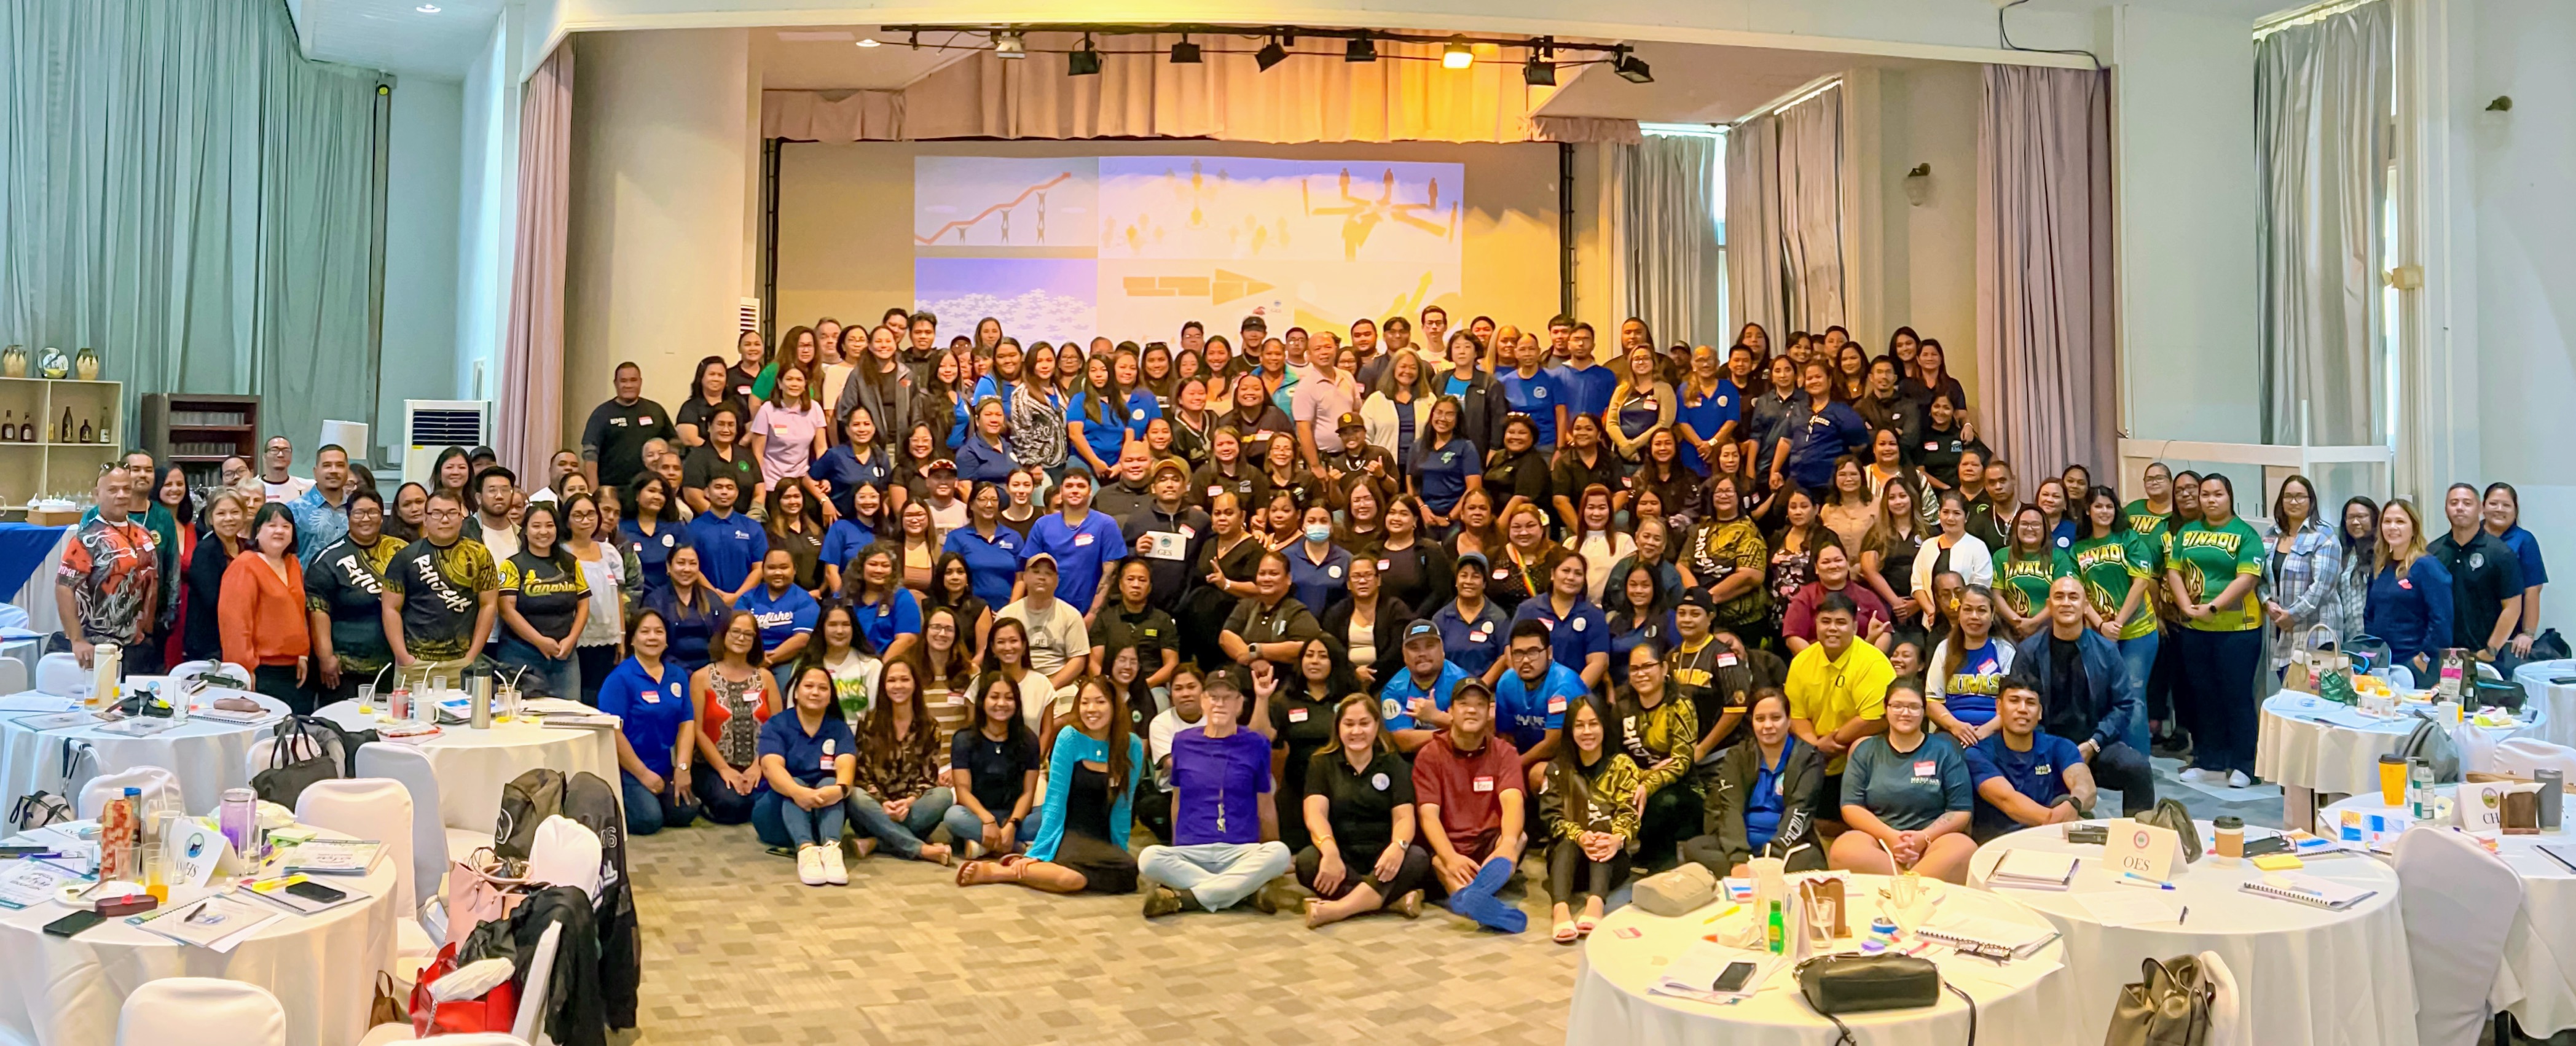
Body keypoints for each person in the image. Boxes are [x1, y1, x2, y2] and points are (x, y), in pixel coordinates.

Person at [956, 677, 1148, 895]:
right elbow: (1055, 801)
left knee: (1128, 871)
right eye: (1085, 703)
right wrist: (1038, 852)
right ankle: (1000, 872)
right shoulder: (1069, 738)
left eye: (1100, 702)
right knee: (1071, 880)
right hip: (1069, 831)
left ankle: (1032, 869)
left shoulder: (1131, 745)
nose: (1091, 709)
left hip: (1102, 838)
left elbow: (1124, 806)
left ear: (1114, 706)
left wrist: (1119, 849)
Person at [1138, 673, 1295, 918]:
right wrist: (1178, 845)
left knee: (1280, 854)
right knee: (1148, 859)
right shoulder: (1182, 741)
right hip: (1193, 850)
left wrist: (1271, 851)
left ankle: (1187, 898)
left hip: (1240, 849)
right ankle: (1243, 890)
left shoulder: (1256, 744)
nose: (1219, 704)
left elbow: (1265, 805)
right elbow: (1177, 800)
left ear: (1239, 704)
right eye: (1213, 697)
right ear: (1203, 702)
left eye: (1227, 698)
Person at [2011, 576, 2155, 814]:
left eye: (2073, 597)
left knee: (2137, 768)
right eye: (2059, 597)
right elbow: (2019, 707)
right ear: (2049, 605)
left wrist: (2094, 744)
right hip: (2044, 747)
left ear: (2086, 606)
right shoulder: (2029, 652)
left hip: (2094, 746)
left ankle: (2137, 839)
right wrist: (2052, 749)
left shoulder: (2106, 651)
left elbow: (2124, 704)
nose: (2066, 603)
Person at [1294, 693, 1430, 927]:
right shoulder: (1321, 763)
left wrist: (1398, 847)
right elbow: (1314, 814)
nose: (1356, 731)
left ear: (1377, 725)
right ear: (1338, 727)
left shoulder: (1394, 764)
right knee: (1307, 861)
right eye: (1349, 724)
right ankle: (1390, 902)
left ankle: (1339, 909)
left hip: (1383, 856)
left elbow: (1404, 817)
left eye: (1364, 723)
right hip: (1341, 855)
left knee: (1416, 858)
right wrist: (1329, 851)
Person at [2166, 474, 2265, 787]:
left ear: (2229, 497)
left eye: (2217, 494)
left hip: (2238, 629)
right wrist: (2185, 607)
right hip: (2196, 628)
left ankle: (2244, 764)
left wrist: (2213, 608)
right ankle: (2209, 759)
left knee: (2236, 696)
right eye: (2205, 494)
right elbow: (2174, 571)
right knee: (2203, 695)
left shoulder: (2245, 534)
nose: (2210, 500)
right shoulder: (2188, 532)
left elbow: (2247, 579)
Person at [1826, 679, 1976, 882]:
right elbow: (1851, 806)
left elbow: (1961, 810)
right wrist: (1892, 838)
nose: (1905, 713)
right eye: (1897, 706)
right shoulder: (1866, 750)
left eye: (1914, 707)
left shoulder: (1945, 750)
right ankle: (1914, 887)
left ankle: (1903, 887)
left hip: (1933, 843)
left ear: (1924, 711)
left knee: (1964, 848)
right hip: (1880, 844)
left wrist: (1922, 838)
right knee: (1844, 849)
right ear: (1885, 709)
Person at [1411, 679, 1528, 933]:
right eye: (1463, 704)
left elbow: (1512, 800)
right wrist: (1451, 857)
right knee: (1440, 863)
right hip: (1450, 845)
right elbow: (1428, 815)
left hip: (1489, 844)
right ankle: (1473, 899)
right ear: (1450, 711)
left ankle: (1472, 898)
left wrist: (1508, 843)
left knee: (1519, 838)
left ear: (1489, 712)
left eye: (1479, 705)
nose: (1472, 710)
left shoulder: (1504, 752)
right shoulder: (1430, 755)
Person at [1681, 689, 1826, 875]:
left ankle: (1753, 876)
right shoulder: (1738, 756)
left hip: (1787, 848)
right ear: (1752, 722)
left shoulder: (1809, 758)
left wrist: (1772, 858)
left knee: (1809, 860)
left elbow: (1800, 810)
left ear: (1789, 721)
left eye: (1776, 718)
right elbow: (1730, 807)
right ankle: (1745, 874)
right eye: (1760, 719)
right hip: (1743, 843)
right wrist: (1738, 859)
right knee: (1695, 848)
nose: (1768, 726)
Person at [1540, 700, 1639, 942]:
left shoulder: (1622, 766)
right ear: (1570, 731)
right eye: (1580, 726)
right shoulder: (1557, 769)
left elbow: (1629, 812)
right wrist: (1580, 836)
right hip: (1567, 864)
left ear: (1604, 726)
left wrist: (1617, 838)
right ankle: (1560, 909)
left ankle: (1595, 904)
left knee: (1604, 834)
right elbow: (1551, 817)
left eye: (1593, 724)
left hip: (1610, 861)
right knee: (1567, 841)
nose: (1587, 732)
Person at [752, 665, 858, 886]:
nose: (815, 692)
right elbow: (771, 768)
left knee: (832, 783)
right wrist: (797, 792)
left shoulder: (838, 728)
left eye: (823, 688)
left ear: (831, 696)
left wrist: (840, 789)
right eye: (809, 686)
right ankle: (806, 851)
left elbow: (846, 766)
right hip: (776, 814)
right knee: (795, 782)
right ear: (796, 692)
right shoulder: (778, 725)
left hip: (823, 810)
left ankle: (831, 850)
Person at [381, 490, 499, 690]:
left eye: (452, 513)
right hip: (416, 664)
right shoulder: (405, 557)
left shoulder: (480, 555)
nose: (445, 520)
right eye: (436, 513)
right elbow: (390, 609)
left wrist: (471, 656)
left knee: (464, 720)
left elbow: (488, 605)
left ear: (461, 518)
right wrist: (403, 656)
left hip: (463, 662)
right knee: (409, 721)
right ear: (426, 519)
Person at [844, 658, 956, 865]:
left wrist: (909, 802)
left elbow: (928, 778)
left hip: (911, 811)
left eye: (905, 680)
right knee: (855, 796)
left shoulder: (930, 726)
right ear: (883, 686)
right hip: (875, 809)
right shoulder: (868, 723)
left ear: (915, 684)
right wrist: (883, 803)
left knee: (943, 795)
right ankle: (919, 848)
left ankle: (878, 842)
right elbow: (862, 775)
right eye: (892, 680)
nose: (898, 686)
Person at [1786, 593, 1895, 802]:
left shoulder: (1873, 662)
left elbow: (1874, 719)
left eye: (1841, 622)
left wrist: (1832, 743)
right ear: (1816, 624)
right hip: (1816, 752)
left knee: (1861, 746)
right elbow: (1797, 716)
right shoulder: (1802, 662)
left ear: (1854, 627)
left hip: (1855, 752)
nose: (1832, 628)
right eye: (1826, 621)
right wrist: (1815, 748)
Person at [599, 610, 699, 835]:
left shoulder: (678, 675)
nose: (652, 637)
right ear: (633, 639)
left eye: (659, 632)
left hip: (664, 766)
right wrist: (643, 774)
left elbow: (687, 722)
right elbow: (612, 731)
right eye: (644, 632)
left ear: (667, 639)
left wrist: (683, 768)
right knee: (649, 821)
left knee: (687, 812)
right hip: (629, 770)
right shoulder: (620, 679)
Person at [1607, 639, 1700, 868]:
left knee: (1662, 802)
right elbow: (1614, 759)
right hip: (1634, 781)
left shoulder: (1681, 706)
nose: (1641, 674)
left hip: (1681, 788)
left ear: (1664, 668)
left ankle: (1659, 861)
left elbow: (1680, 763)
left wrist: (1646, 785)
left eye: (1647, 666)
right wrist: (1643, 776)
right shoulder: (1622, 706)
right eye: (1635, 669)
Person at [57, 465, 160, 671]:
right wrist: (77, 640)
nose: (121, 495)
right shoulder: (88, 538)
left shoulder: (144, 534)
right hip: (98, 647)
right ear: (97, 495)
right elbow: (64, 587)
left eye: (126, 489)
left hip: (137, 647)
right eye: (113, 490)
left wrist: (148, 633)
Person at [1966, 677, 2095, 841]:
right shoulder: (1978, 754)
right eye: (2014, 701)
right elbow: (2009, 801)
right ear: (1999, 707)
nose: (2022, 709)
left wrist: (2074, 804)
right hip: (2003, 840)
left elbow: (2085, 784)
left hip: (2057, 839)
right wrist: (2062, 820)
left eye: (2031, 703)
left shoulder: (2061, 746)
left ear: (2040, 712)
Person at [2071, 485, 2160, 698]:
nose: (2104, 512)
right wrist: (2102, 626)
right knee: (2103, 697)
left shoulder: (2129, 539)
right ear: (2088, 511)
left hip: (2139, 632)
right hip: (2098, 633)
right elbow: (2078, 593)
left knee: (2133, 695)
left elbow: (2140, 583)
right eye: (2098, 506)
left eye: (2109, 507)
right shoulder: (2078, 549)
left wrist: (2117, 624)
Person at [692, 611, 777, 827]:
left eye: (748, 635)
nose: (741, 638)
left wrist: (759, 765)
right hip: (715, 766)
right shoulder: (701, 678)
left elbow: (778, 728)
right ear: (724, 635)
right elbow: (697, 730)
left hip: (761, 764)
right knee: (732, 806)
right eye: (736, 632)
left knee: (773, 799)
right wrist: (724, 769)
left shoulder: (766, 678)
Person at [943, 672, 1041, 859]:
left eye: (1009, 698)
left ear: (1017, 703)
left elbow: (1028, 793)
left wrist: (1013, 824)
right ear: (982, 701)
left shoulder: (1028, 740)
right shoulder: (964, 739)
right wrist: (987, 820)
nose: (1002, 704)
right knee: (953, 816)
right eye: (994, 697)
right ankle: (1015, 847)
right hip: (977, 816)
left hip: (1016, 817)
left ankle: (986, 846)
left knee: (1054, 815)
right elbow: (963, 791)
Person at [2429, 482, 2525, 660]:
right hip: (2441, 657)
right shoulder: (2432, 553)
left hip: (2484, 656)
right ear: (2446, 509)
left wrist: (2491, 650)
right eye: (2454, 503)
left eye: (2467, 503)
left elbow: (2512, 608)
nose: (2460, 508)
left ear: (2480, 508)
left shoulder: (2500, 553)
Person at [2262, 475, 2342, 674]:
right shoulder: (2271, 535)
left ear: (2311, 501)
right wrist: (2267, 602)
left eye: (2300, 496)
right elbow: (2261, 577)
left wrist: (2293, 615)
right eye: (2288, 496)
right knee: (2288, 694)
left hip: (2315, 632)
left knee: (2312, 697)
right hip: (2281, 630)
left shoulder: (2324, 536)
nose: (2294, 502)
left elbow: (2322, 587)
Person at [1494, 620, 1586, 792]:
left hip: (1570, 758)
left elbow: (1553, 745)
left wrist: (1514, 766)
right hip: (1526, 756)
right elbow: (1505, 736)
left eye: (1534, 652)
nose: (1526, 660)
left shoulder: (1564, 685)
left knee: (1538, 775)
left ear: (1549, 652)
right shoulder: (1507, 682)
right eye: (1518, 654)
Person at [2366, 498, 2455, 676]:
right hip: (2382, 665)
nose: (2392, 527)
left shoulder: (2427, 566)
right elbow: (2369, 614)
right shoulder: (2380, 566)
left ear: (2413, 528)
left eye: (2400, 521)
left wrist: (2424, 658)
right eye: (2387, 521)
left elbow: (2442, 620)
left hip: (2416, 665)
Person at [1019, 470, 1125, 616]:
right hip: (1048, 611)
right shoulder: (1043, 525)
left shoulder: (1105, 525)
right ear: (1062, 491)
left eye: (1081, 486)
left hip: (1092, 613)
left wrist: (1093, 614)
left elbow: (1110, 574)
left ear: (1090, 491)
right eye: (1069, 486)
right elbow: (1030, 570)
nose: (1075, 490)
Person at [1118, 458, 1210, 612]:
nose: (1169, 485)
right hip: (1149, 606)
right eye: (1163, 480)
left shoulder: (1201, 520)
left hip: (1190, 605)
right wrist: (1136, 551)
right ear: (1153, 488)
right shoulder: (1137, 520)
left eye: (1175, 479)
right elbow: (1119, 558)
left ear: (1185, 487)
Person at [999, 553, 1093, 702]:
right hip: (1015, 682)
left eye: (1048, 574)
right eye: (1036, 572)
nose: (1042, 577)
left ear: (1057, 581)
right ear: (1025, 577)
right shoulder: (1007, 615)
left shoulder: (1071, 615)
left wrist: (1049, 686)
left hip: (1060, 685)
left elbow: (1078, 659)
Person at [1925, 585, 2012, 745]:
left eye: (1982, 610)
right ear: (1959, 613)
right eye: (1968, 610)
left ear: (1992, 615)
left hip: (1995, 734)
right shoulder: (1944, 649)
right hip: (1951, 733)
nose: (1974, 616)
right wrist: (1955, 726)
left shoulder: (2004, 650)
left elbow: (2013, 703)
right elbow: (1932, 703)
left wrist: (1986, 730)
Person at [1511, 553, 1611, 691]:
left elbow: (1598, 663)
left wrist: (1570, 694)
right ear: (1553, 574)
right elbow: (1511, 652)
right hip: (1531, 691)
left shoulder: (1594, 615)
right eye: (1566, 571)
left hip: (1577, 695)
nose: (1571, 577)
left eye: (1578, 574)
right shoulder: (1528, 610)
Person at [1219, 550, 1324, 668]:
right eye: (1262, 574)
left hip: (1283, 678)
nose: (1266, 579)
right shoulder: (1246, 605)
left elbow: (1304, 647)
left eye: (1273, 574)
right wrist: (1254, 661)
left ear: (1288, 579)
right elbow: (1226, 636)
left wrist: (1258, 651)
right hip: (1244, 672)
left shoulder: (1297, 612)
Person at [579, 361, 676, 490]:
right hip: (612, 489)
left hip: (650, 488)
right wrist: (594, 491)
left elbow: (674, 444)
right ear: (616, 383)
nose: (628, 385)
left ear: (640, 382)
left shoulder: (655, 410)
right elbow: (590, 454)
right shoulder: (602, 414)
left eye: (633, 380)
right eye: (624, 381)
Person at [1783, 542, 1892, 655]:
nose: (1833, 566)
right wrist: (1818, 663)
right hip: (1817, 665)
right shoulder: (1806, 596)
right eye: (1826, 562)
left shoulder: (1867, 596)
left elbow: (1885, 632)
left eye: (1838, 560)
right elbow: (1793, 637)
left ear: (1848, 564)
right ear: (1816, 568)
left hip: (1862, 665)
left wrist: (1869, 661)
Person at [1910, 491, 1993, 631]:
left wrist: (1959, 612)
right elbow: (1917, 585)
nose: (1950, 518)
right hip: (1932, 622)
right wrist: (1931, 612)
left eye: (1956, 513)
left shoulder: (1978, 547)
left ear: (1966, 517)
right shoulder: (1928, 546)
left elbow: (1981, 586)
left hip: (1966, 623)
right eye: (1945, 512)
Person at [742, 548, 821, 692]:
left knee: (787, 689)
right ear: (763, 570)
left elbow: (801, 639)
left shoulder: (804, 600)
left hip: (787, 662)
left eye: (784, 567)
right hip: (747, 659)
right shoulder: (747, 598)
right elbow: (738, 631)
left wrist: (767, 660)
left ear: (794, 570)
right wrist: (754, 659)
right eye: (771, 568)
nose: (778, 573)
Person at [645, 544, 729, 676]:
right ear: (669, 567)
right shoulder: (655, 601)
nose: (687, 569)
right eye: (681, 563)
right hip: (669, 672)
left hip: (711, 673)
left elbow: (725, 640)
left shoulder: (713, 600)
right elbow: (652, 646)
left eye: (693, 564)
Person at [943, 482, 1027, 611]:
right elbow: (949, 576)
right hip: (968, 611)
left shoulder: (1013, 537)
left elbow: (1021, 579)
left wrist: (1009, 610)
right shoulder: (957, 537)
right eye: (982, 500)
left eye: (994, 500)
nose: (989, 505)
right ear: (971, 504)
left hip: (1007, 613)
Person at [282, 445, 356, 568]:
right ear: (315, 472)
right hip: (306, 585)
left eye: (340, 465)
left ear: (347, 472)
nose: (334, 470)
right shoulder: (294, 510)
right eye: (327, 465)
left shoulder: (356, 510)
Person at [460, 467, 522, 561]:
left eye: (505, 490)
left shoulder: (522, 534)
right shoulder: (462, 532)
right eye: (492, 490)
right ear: (479, 498)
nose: (499, 496)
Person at [256, 436, 313, 503]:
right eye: (274, 450)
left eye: (286, 450)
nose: (281, 455)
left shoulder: (308, 487)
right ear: (265, 456)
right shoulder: (251, 488)